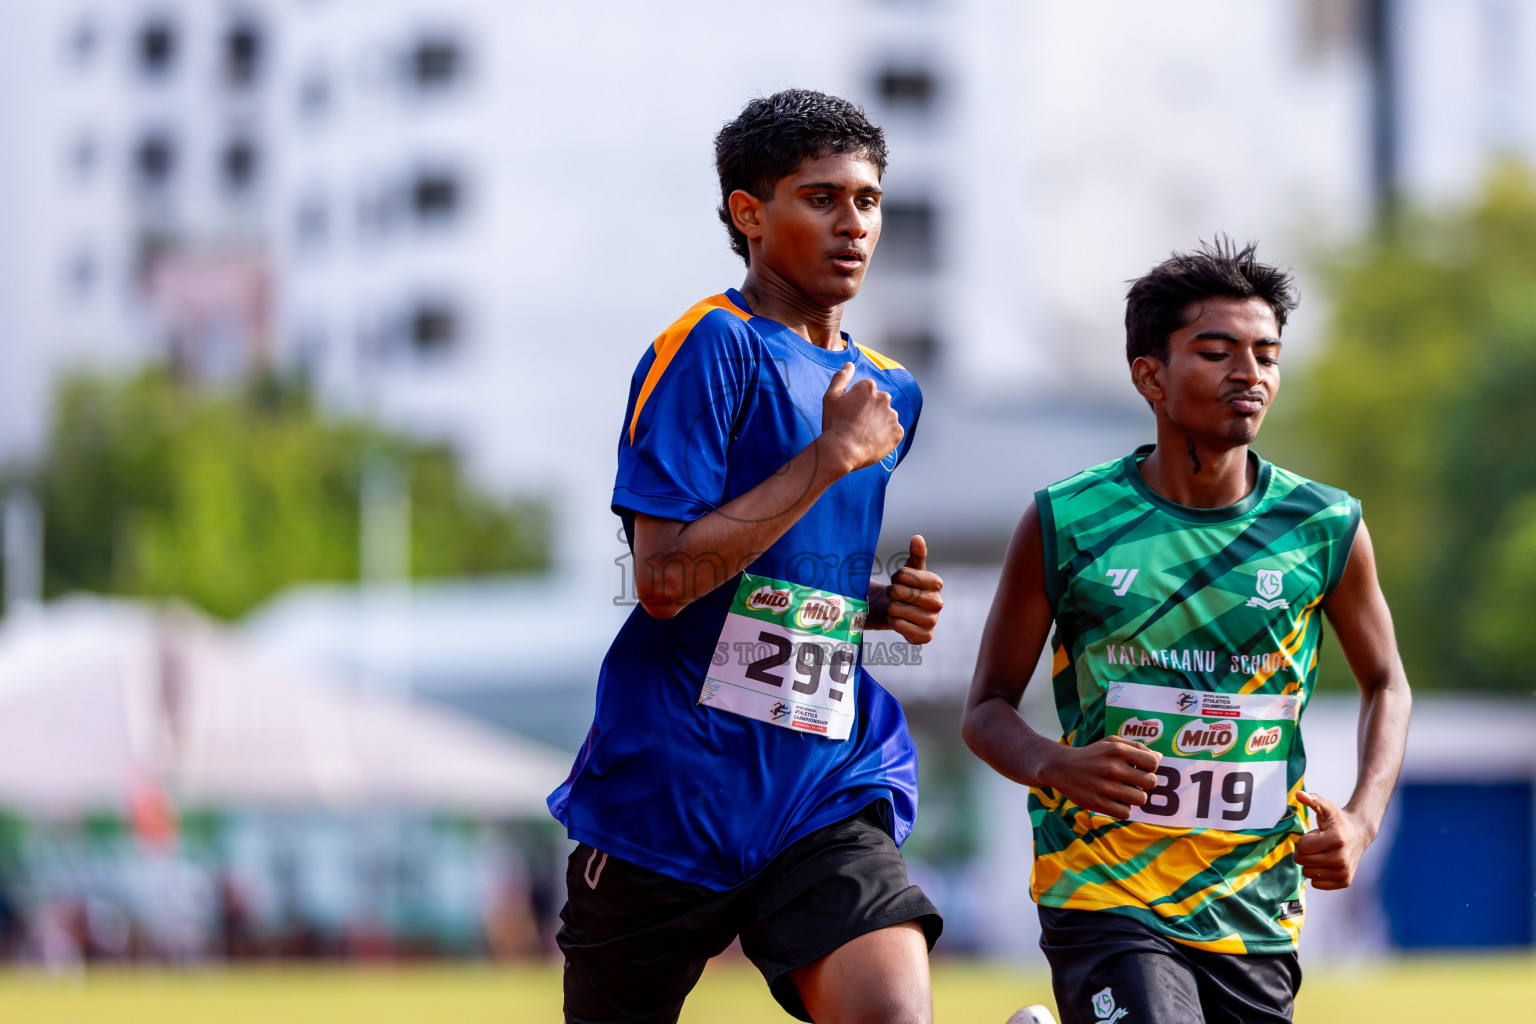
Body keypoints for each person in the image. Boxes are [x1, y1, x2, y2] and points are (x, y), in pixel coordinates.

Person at [548, 89, 946, 1024]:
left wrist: (870, 602)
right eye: (822, 198)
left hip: (821, 781)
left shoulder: (890, 391)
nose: (854, 224)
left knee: (891, 1015)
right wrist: (827, 458)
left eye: (868, 200)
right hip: (673, 789)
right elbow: (664, 579)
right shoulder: (711, 348)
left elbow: (778, 566)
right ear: (749, 213)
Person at [962, 239, 1412, 1024]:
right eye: (1217, 352)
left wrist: (1363, 818)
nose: (1250, 373)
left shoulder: (1324, 526)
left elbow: (1387, 683)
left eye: (1267, 354)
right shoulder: (1067, 520)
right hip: (1104, 886)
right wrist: (1055, 764)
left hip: (1251, 902)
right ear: (1150, 376)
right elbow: (985, 709)